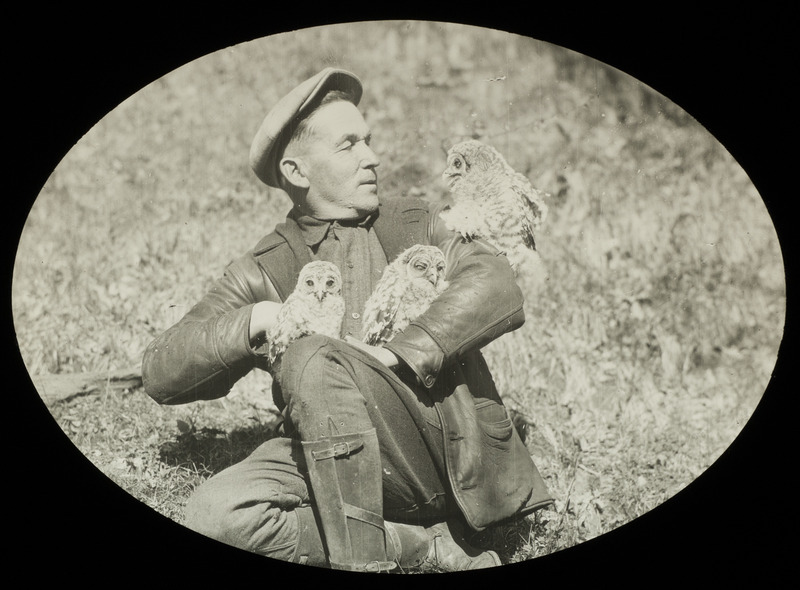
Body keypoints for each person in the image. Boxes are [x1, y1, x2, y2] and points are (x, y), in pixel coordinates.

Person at [142, 67, 553, 573]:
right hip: (329, 455)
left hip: (435, 447)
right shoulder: (265, 267)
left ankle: (363, 562)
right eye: (349, 145)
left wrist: (394, 353)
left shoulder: (416, 221)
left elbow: (495, 284)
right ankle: (421, 545)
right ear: (297, 172)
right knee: (215, 515)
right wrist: (261, 318)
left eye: (369, 141)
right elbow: (161, 370)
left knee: (313, 353)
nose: (372, 157)